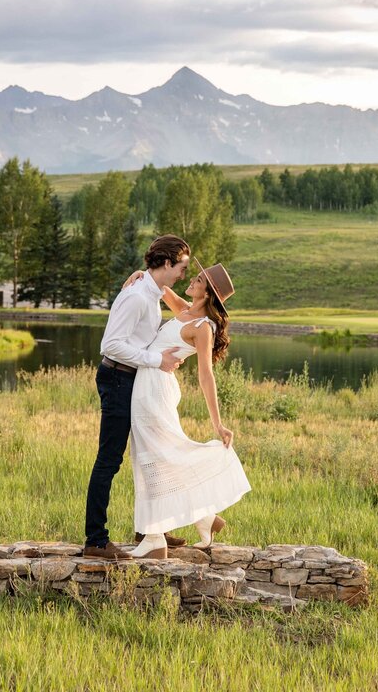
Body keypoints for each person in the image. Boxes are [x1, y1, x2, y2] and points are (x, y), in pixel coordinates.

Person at [122, 259, 251, 559]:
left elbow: (206, 376)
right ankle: (205, 518)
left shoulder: (203, 327)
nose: (191, 281)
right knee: (153, 456)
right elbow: (160, 286)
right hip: (148, 384)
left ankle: (154, 537)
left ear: (207, 294)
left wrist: (218, 423)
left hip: (156, 390)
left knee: (152, 457)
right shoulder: (185, 310)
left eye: (198, 280)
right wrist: (141, 274)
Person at [82, 235, 190, 560]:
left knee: (148, 454)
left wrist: (164, 356)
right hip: (117, 379)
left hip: (134, 379)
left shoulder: (151, 290)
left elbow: (148, 333)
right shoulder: (138, 296)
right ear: (167, 263)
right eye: (181, 267)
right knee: (109, 460)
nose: (183, 275)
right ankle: (96, 541)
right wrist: (159, 360)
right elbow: (111, 345)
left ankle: (150, 530)